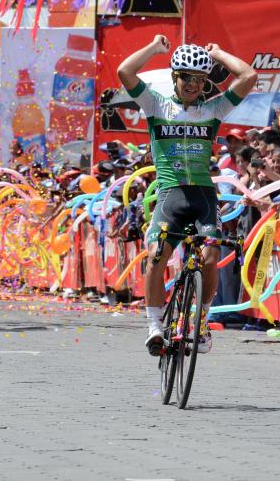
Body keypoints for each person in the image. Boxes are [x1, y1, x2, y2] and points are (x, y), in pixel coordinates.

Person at [117, 36, 256, 356]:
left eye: (199, 80)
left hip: (203, 196)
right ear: (174, 78)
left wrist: (219, 53)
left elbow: (248, 77)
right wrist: (153, 47)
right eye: (186, 78)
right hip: (170, 195)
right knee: (156, 256)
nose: (192, 85)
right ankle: (154, 326)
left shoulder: (214, 108)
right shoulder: (155, 104)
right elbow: (125, 71)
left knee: (209, 259)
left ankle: (202, 323)